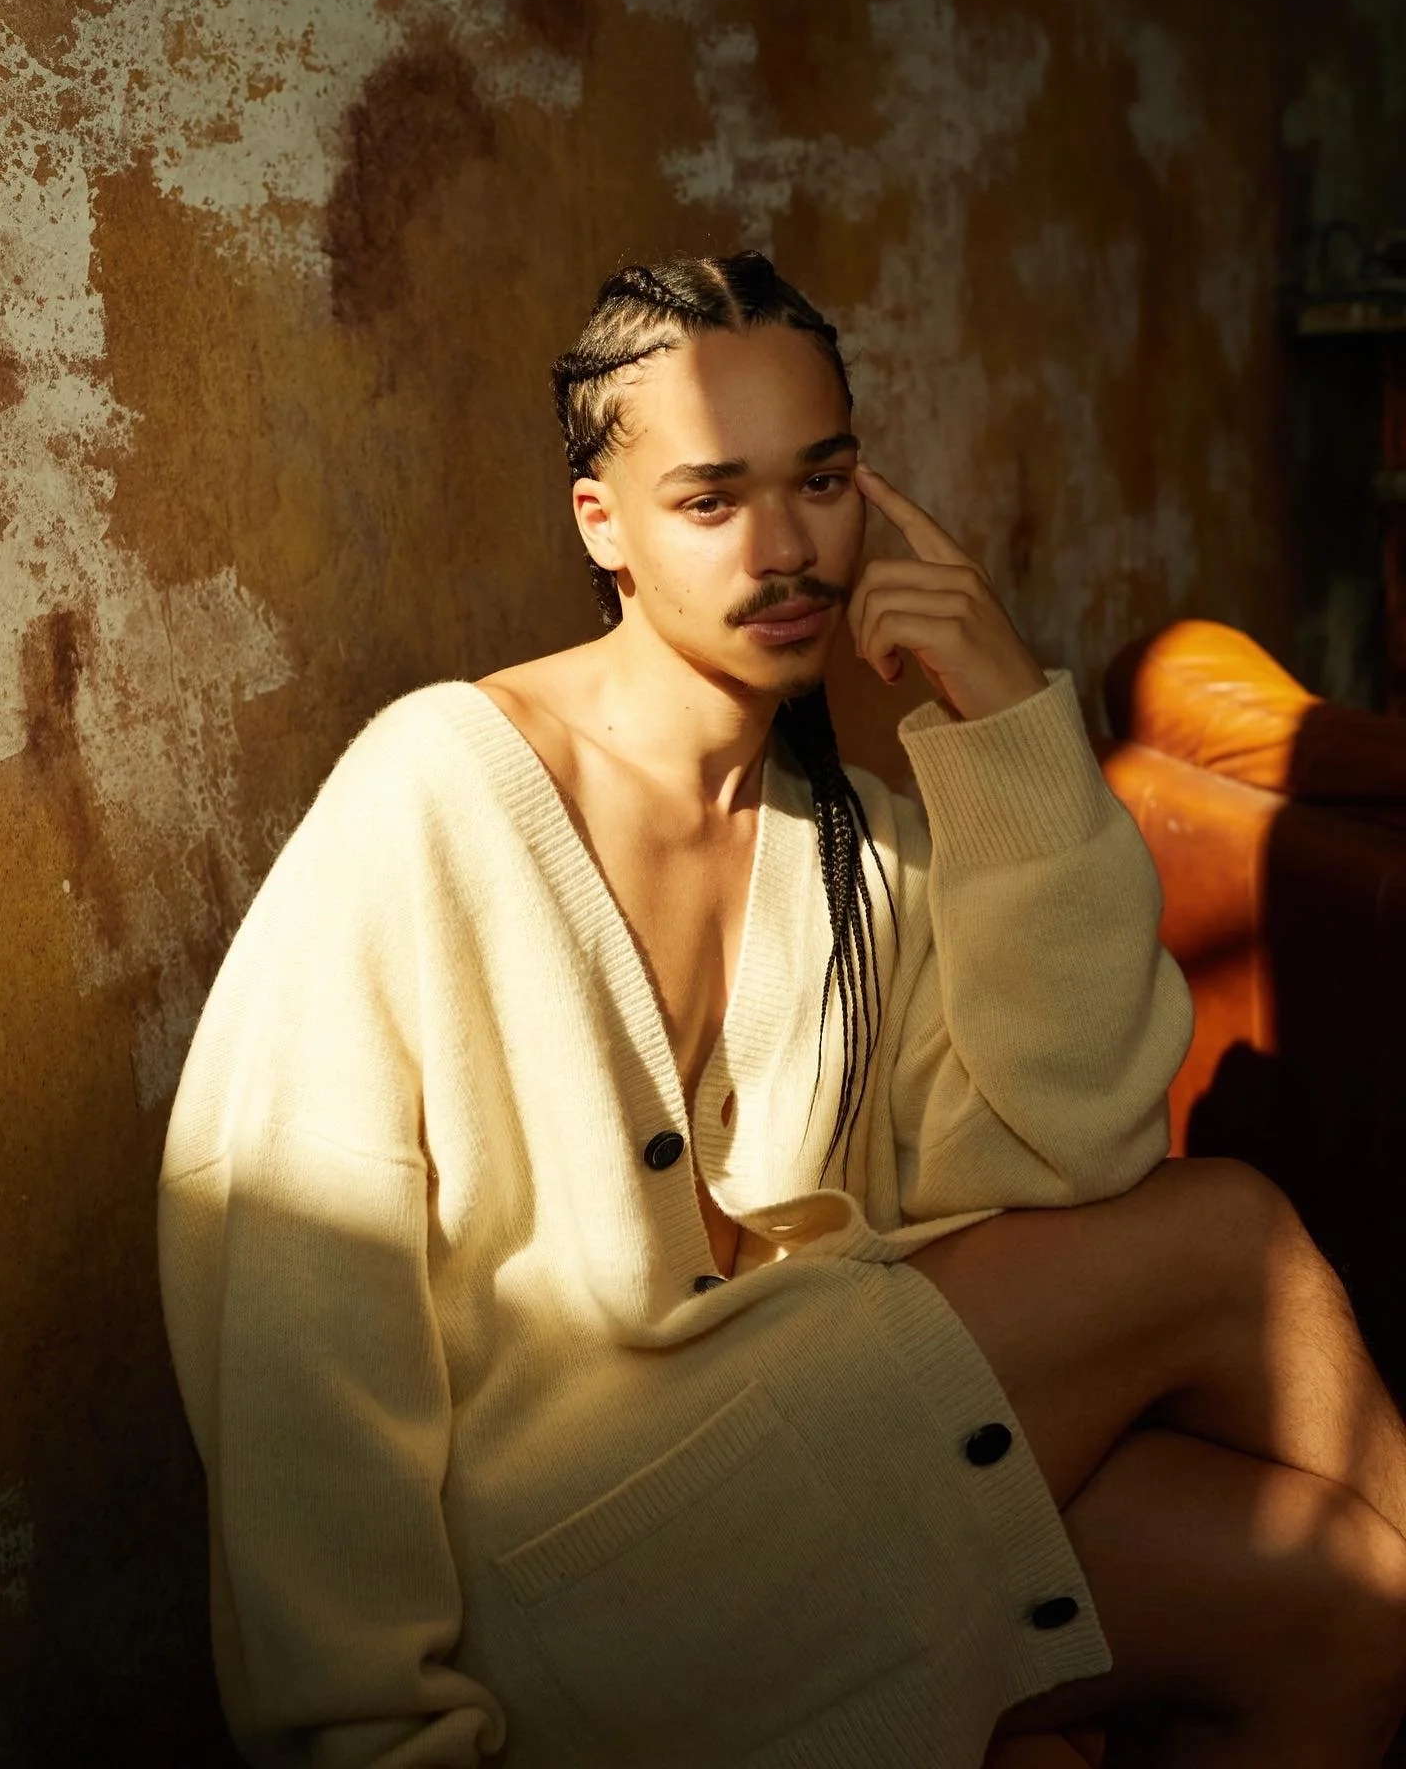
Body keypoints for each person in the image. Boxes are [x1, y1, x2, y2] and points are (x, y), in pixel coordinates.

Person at [158, 250, 1406, 1769]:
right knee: (1232, 1234)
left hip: (780, 1499)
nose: (787, 547)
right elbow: (296, 1278)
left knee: (1346, 1607)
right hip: (546, 1585)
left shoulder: (862, 841)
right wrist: (372, 1734)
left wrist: (1009, 727)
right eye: (711, 499)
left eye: (821, 482)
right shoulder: (441, 791)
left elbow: (1071, 1159)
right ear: (600, 523)